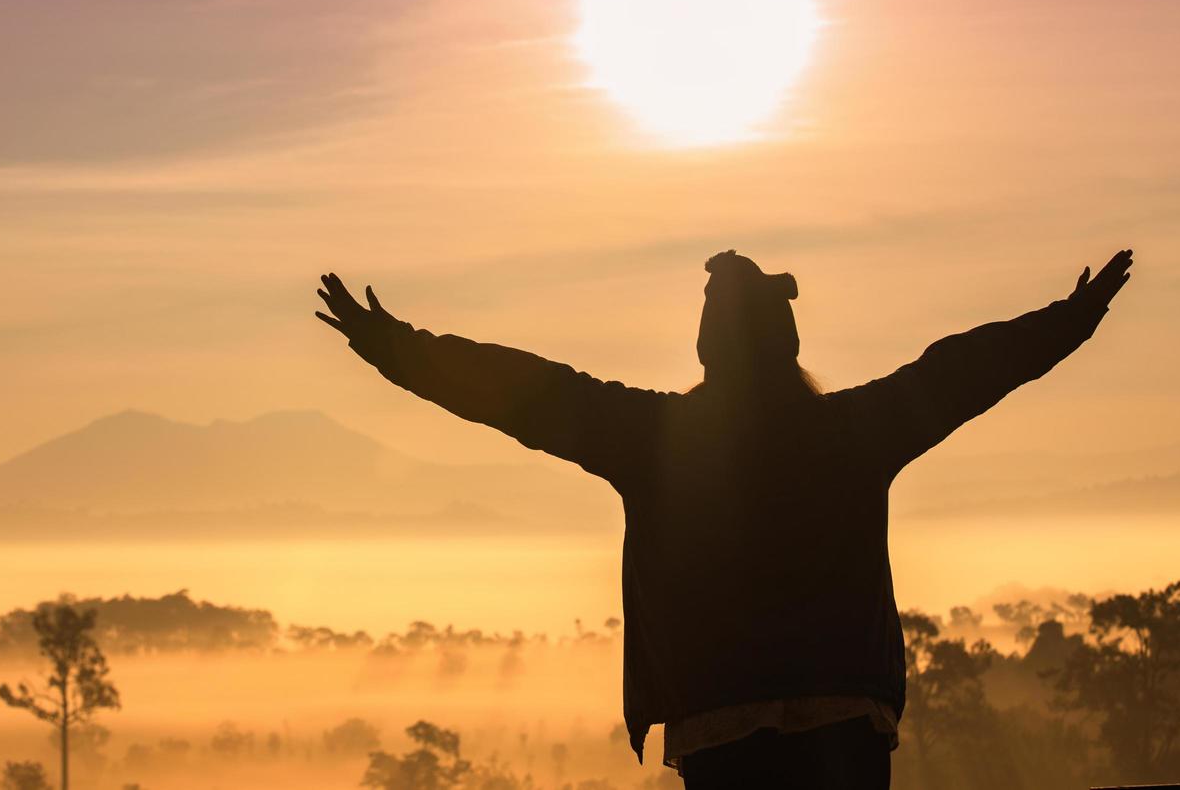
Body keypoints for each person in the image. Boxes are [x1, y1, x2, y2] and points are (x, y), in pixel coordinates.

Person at [315, 248, 1133, 789]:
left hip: (720, 719)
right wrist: (1070, 319)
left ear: (708, 351)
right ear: (787, 345)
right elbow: (963, 372)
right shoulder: (854, 429)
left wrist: (394, 346)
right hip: (845, 714)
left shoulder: (653, 437)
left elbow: (523, 391)